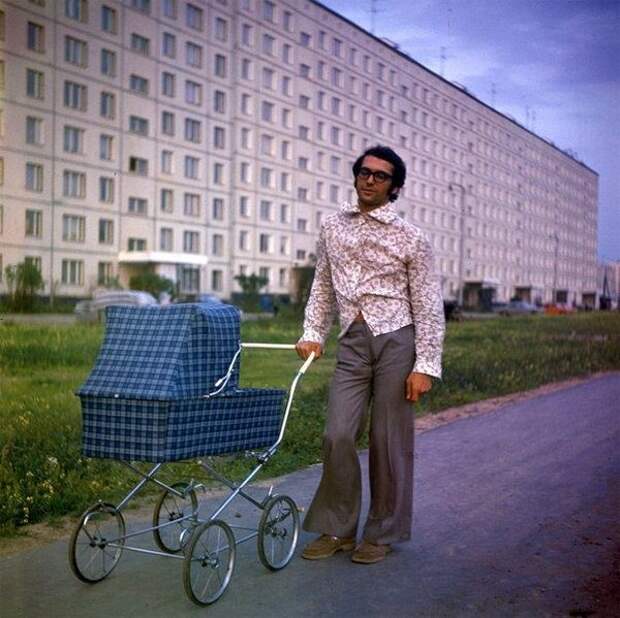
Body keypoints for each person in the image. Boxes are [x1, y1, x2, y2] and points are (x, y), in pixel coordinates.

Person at [296, 145, 445, 564]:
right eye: (365, 172)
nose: (370, 180)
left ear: (395, 187)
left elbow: (428, 303)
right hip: (353, 341)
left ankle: (381, 532)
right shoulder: (332, 226)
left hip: (398, 339)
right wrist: (313, 332)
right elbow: (323, 285)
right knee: (337, 434)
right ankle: (338, 528)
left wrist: (425, 364)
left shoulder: (411, 237)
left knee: (387, 439)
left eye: (381, 176)